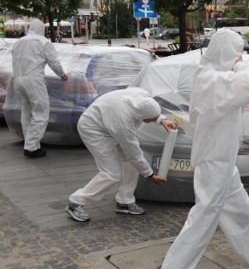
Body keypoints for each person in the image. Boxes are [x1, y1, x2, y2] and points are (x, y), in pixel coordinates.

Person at [153, 28, 249, 269]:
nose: (239, 58)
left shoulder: (211, 77)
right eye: (236, 53)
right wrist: (240, 64)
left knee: (241, 213)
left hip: (222, 160)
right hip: (214, 161)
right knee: (203, 220)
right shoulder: (212, 80)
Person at [66, 87, 178, 222]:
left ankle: (125, 201)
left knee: (131, 163)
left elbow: (148, 108)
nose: (152, 121)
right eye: (151, 119)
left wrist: (161, 119)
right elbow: (133, 153)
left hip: (106, 121)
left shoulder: (143, 96)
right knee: (112, 173)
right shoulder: (123, 122)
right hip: (93, 129)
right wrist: (150, 175)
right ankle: (76, 202)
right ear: (142, 116)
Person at [10, 18, 68, 158]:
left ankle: (30, 144)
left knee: (26, 112)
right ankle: (31, 147)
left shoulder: (18, 42)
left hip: (18, 79)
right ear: (42, 29)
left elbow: (14, 59)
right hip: (34, 80)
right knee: (41, 112)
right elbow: (53, 61)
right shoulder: (43, 42)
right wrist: (62, 75)